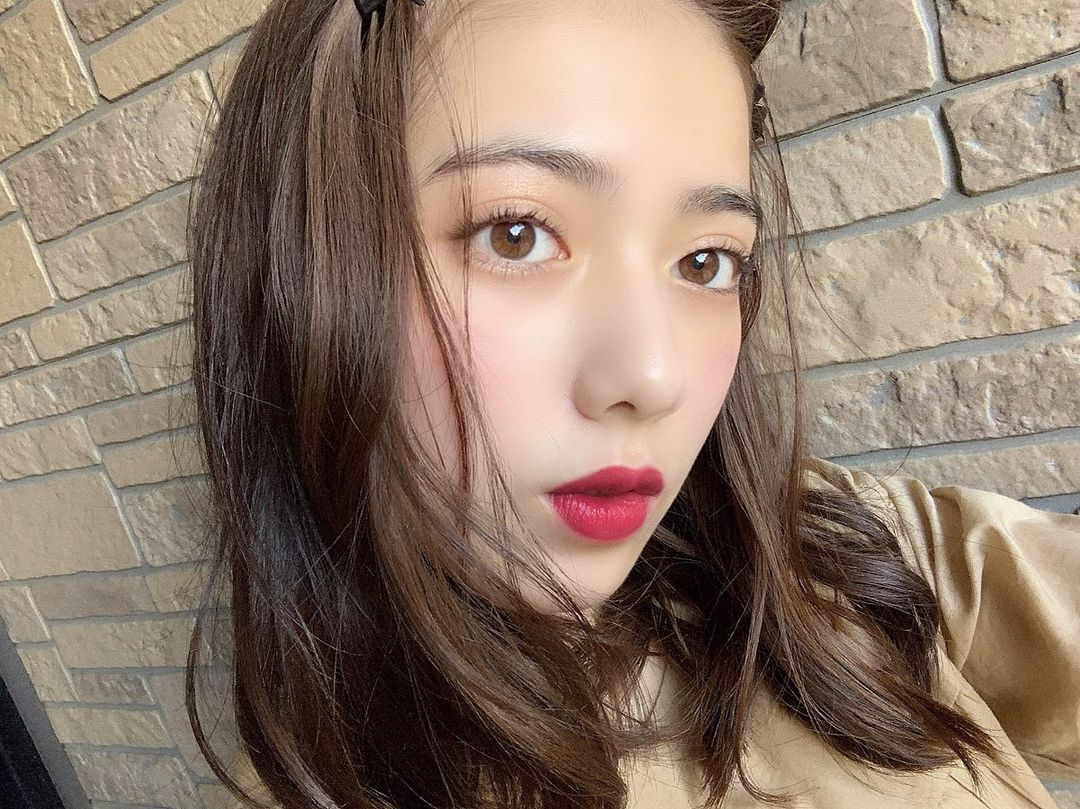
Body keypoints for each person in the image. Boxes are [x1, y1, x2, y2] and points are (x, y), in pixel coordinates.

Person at [181, 0, 1080, 806]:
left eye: (706, 260)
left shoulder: (837, 549)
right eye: (516, 234)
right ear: (304, 273)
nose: (653, 376)